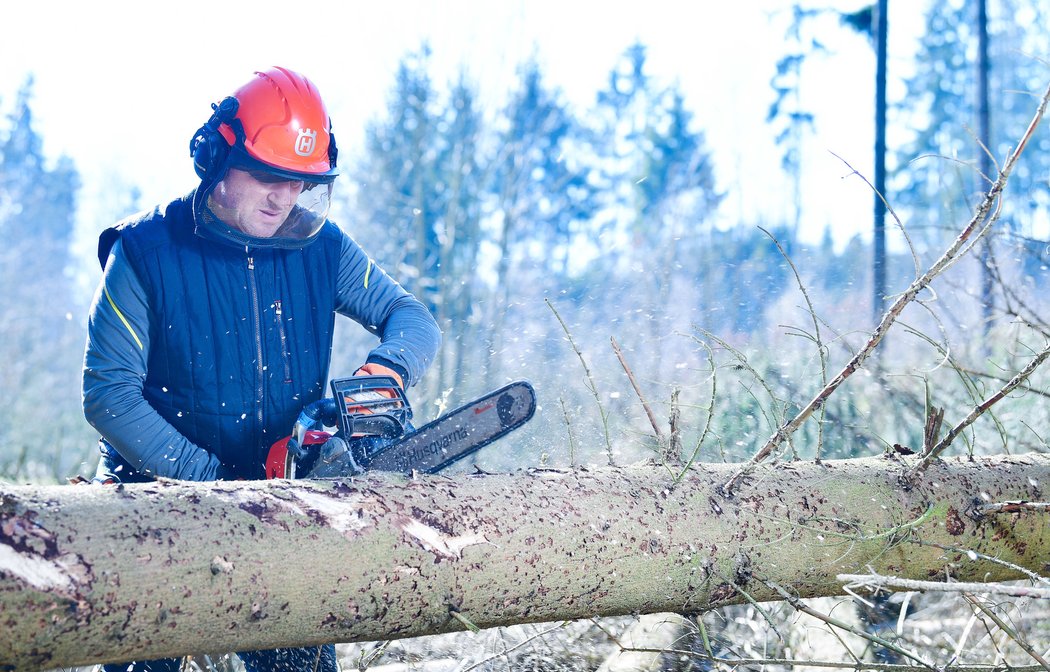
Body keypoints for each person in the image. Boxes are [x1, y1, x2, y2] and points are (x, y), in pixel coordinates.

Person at [82, 66, 441, 672]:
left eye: (300, 183)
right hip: (158, 509)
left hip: (284, 510)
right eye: (267, 177)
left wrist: (383, 375)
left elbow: (411, 317)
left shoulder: (321, 248)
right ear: (218, 161)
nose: (284, 198)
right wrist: (214, 481)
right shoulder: (144, 251)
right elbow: (109, 397)